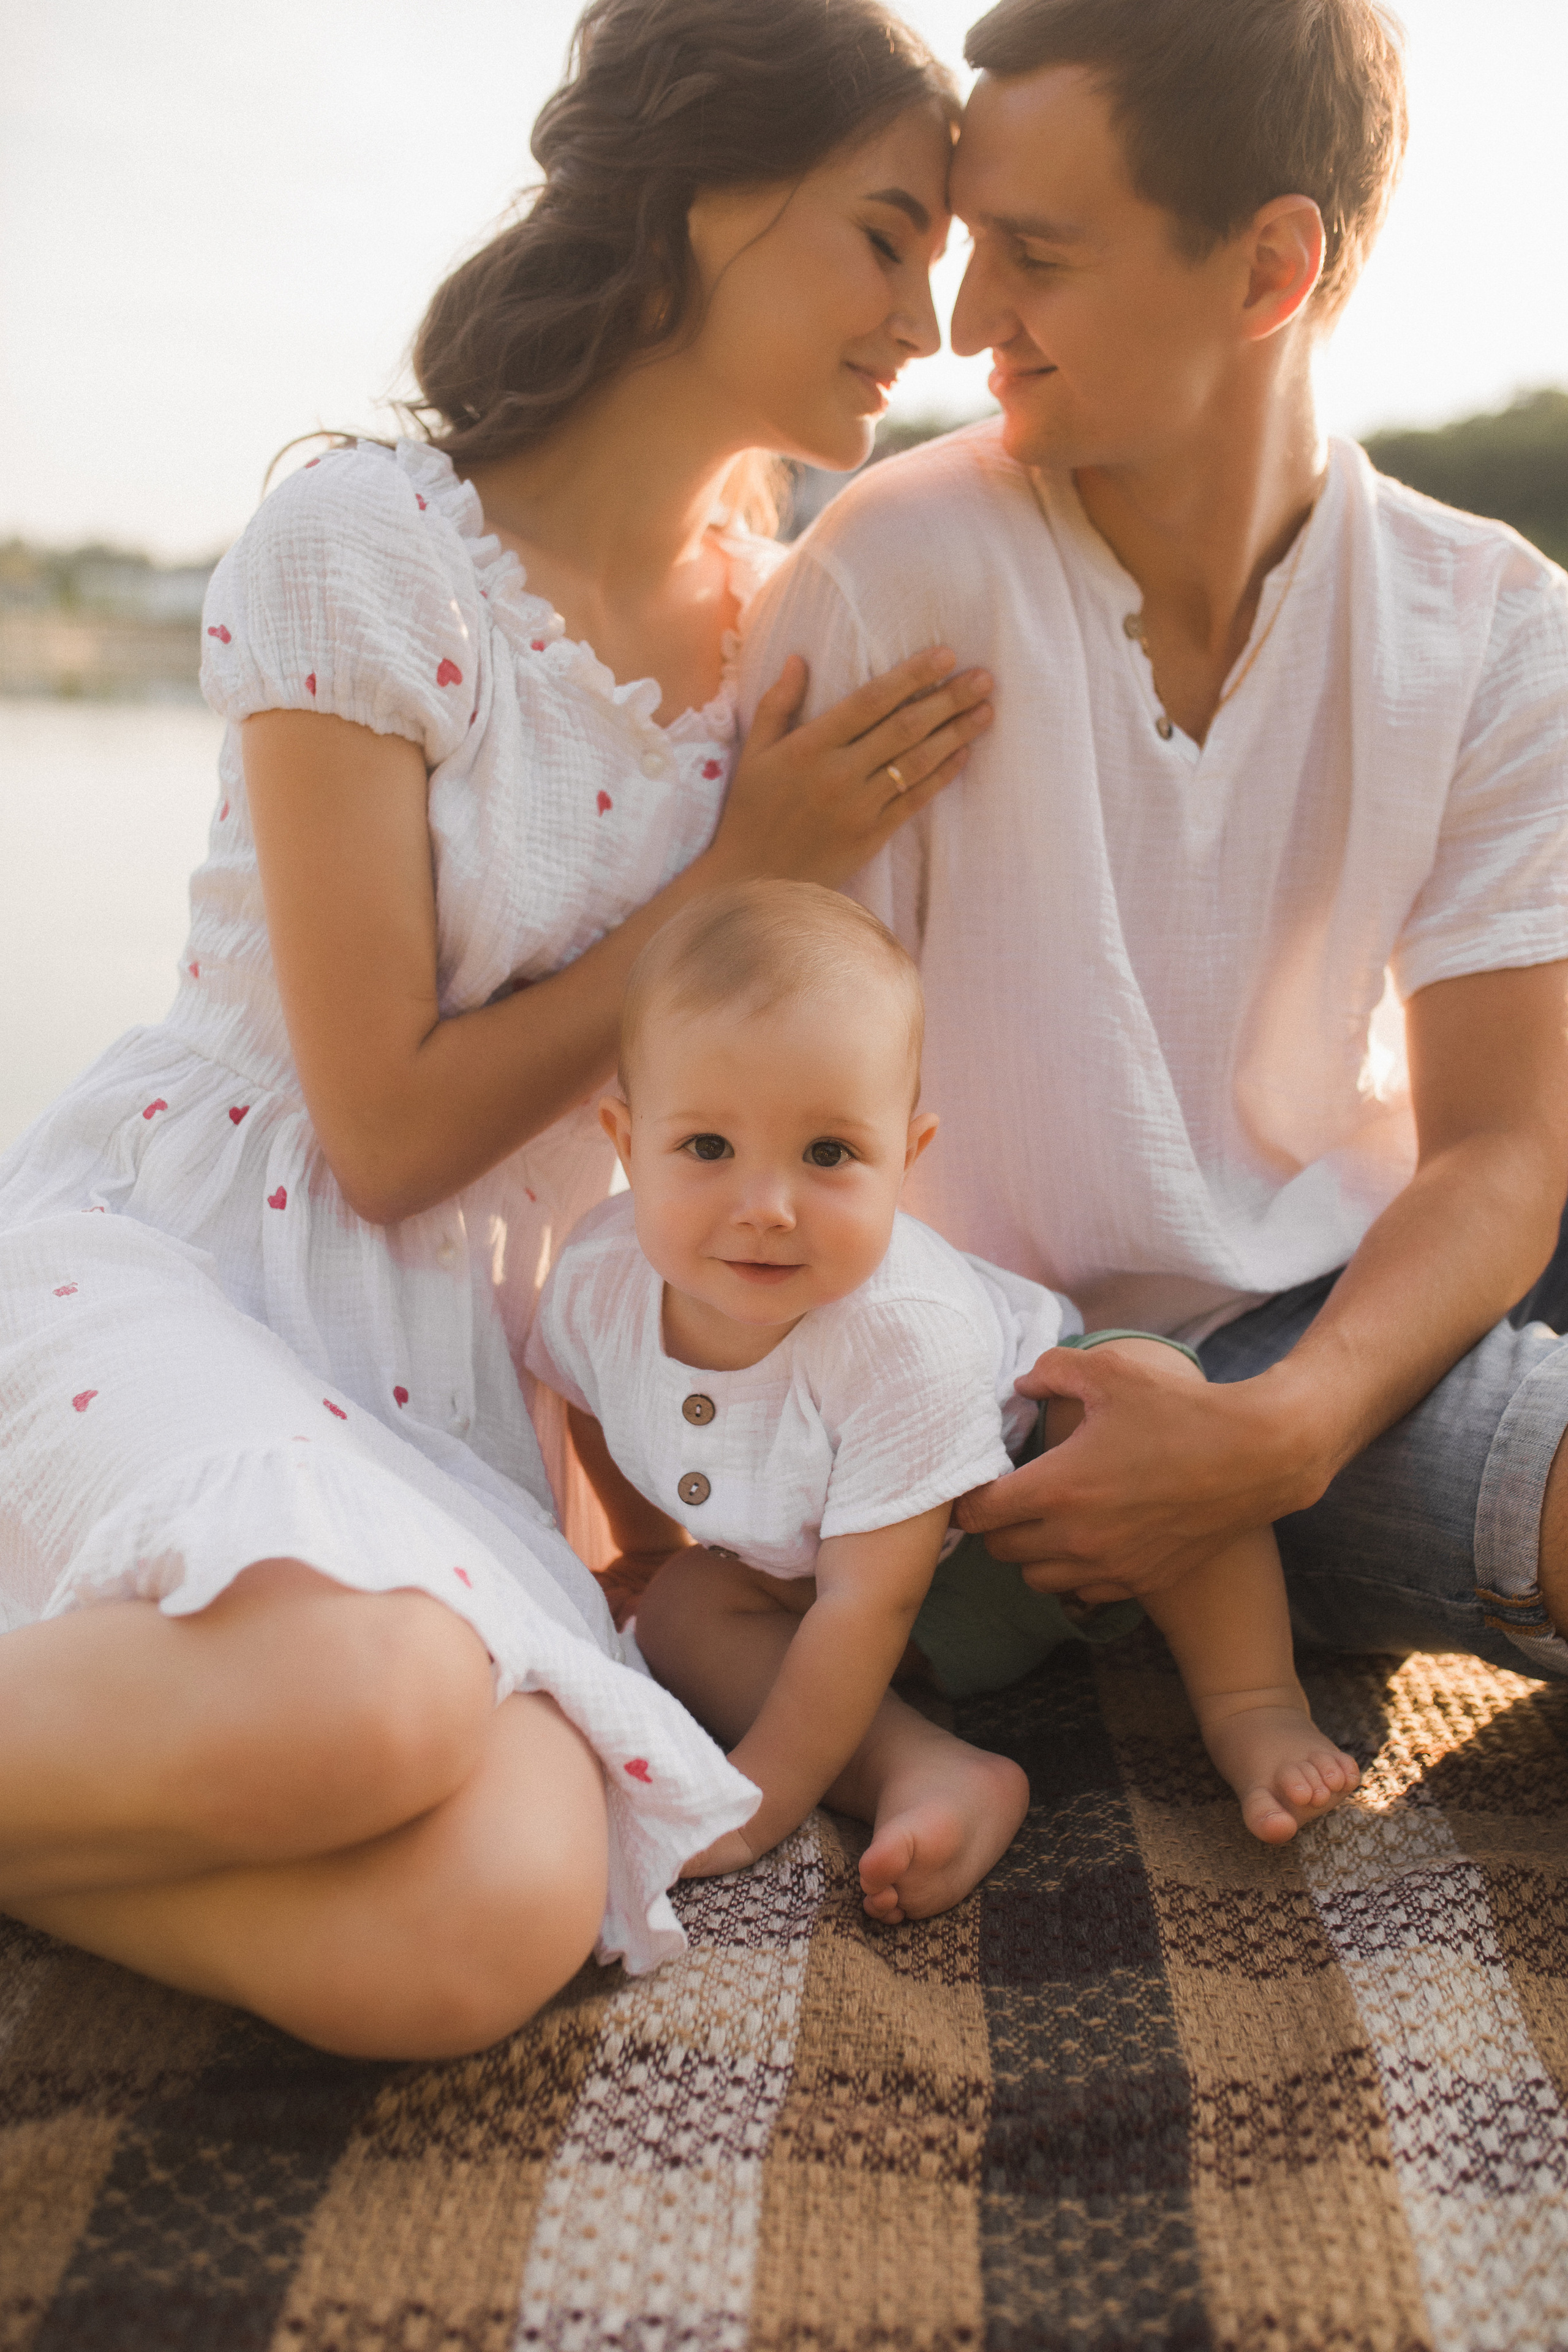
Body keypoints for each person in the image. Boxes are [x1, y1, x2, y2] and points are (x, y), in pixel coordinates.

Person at [0, 0, 996, 2061]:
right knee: (364, 1706)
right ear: (711, 197)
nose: (935, 319)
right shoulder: (366, 548)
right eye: (892, 236)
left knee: (503, 1907)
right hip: (212, 1266)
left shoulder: (782, 631)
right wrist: (731, 883)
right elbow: (378, 1128)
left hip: (465, 1377)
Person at [738, 0, 1568, 1701]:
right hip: (1020, 1374)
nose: (967, 323)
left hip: (1342, 1317)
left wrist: (1287, 1429)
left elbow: (1500, 1145)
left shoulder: (1492, 626)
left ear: (1269, 270)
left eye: (1035, 256)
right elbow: (766, 1139)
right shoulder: (894, 582)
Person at [529, 881, 1359, 1909]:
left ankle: (1253, 1700)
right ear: (623, 1142)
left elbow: (868, 1600)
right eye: (707, 1148)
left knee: (1149, 1392)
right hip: (897, 1606)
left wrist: (760, 1804)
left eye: (829, 1154)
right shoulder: (596, 1285)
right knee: (682, 1610)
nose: (768, 1209)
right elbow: (591, 1402)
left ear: (906, 1157)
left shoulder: (900, 1332)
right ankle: (921, 1769)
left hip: (1053, 1500)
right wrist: (647, 1546)